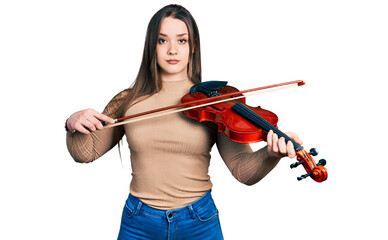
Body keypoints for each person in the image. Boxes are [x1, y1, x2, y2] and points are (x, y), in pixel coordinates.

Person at [65, 4, 302, 240]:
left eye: (181, 41)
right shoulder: (128, 100)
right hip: (138, 224)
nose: (172, 50)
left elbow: (242, 170)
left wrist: (271, 154)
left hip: (199, 223)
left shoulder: (217, 101)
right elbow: (85, 153)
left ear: (193, 46)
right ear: (151, 46)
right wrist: (71, 122)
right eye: (162, 41)